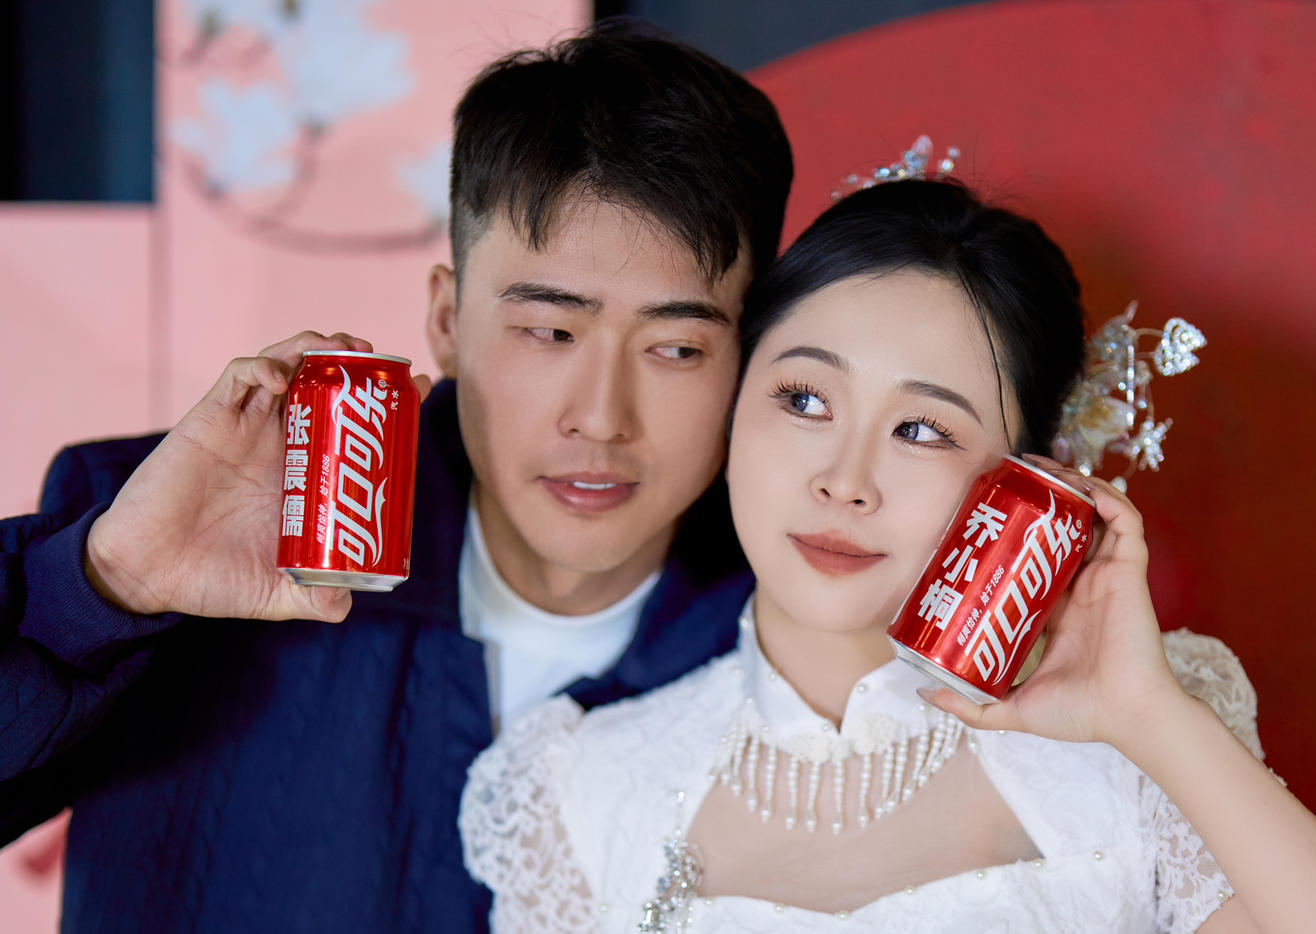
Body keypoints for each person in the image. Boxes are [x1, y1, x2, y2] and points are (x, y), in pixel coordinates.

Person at [0, 20, 791, 933]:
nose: (602, 417)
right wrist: (107, 588)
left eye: (678, 348)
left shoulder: (797, 641)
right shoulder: (175, 538)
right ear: (447, 322)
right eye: (550, 332)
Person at [461, 173, 1316, 932]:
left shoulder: (1133, 745)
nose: (845, 481)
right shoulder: (580, 796)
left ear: (1026, 478)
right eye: (804, 400)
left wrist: (1152, 719)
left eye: (921, 429)